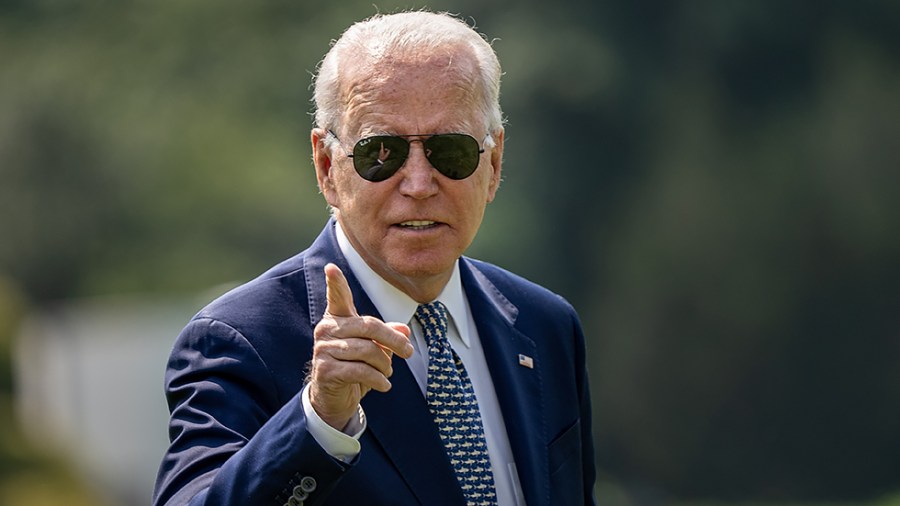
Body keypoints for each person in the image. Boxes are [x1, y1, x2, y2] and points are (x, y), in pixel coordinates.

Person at [152, 10, 596, 506]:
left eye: (450, 151)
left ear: (492, 165)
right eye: (380, 153)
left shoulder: (546, 325)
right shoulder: (240, 341)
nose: (419, 184)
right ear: (326, 167)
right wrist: (318, 420)